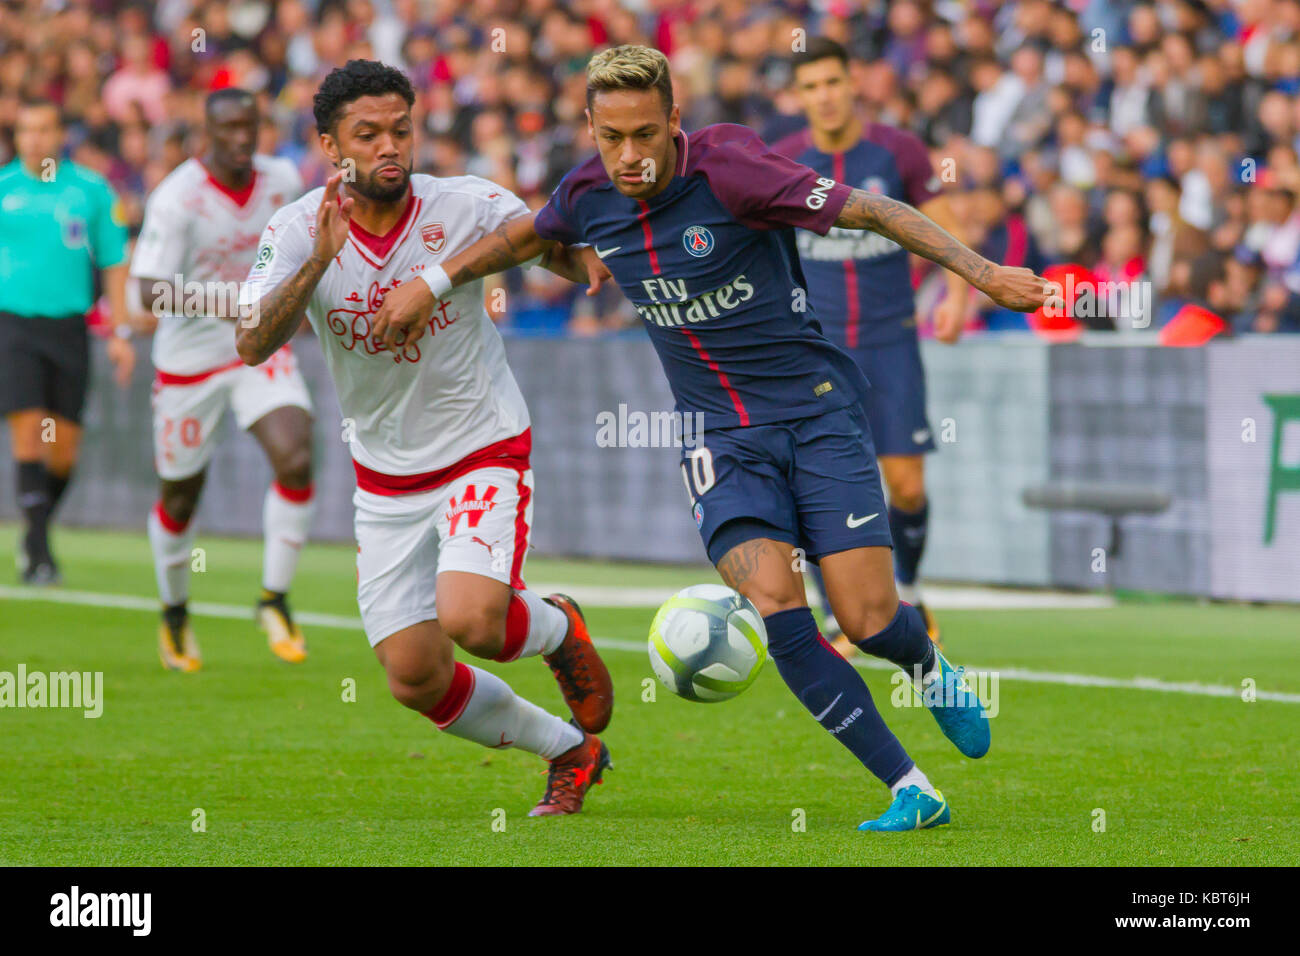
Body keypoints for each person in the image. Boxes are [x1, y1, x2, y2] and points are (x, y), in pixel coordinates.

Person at [373, 45, 1049, 831]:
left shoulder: (732, 169)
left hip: (817, 413)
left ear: (674, 122)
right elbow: (524, 237)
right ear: (590, 126)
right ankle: (910, 787)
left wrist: (983, 273)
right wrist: (436, 282)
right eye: (612, 136)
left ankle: (927, 663)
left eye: (646, 135)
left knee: (867, 619)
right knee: (777, 607)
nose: (630, 155)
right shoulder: (586, 192)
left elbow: (871, 209)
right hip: (719, 438)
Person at [235, 60, 614, 817]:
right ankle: (570, 751)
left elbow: (547, 246)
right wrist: (318, 259)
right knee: (414, 676)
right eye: (367, 134)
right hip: (384, 475)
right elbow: (250, 342)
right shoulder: (292, 229)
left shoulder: (467, 204)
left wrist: (576, 257)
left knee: (474, 618)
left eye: (401, 130)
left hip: (481, 444)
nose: (389, 148)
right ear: (328, 144)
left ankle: (556, 626)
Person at [772, 38, 967, 651]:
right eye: (811, 87)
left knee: (906, 484)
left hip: (891, 340)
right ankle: (838, 610)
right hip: (817, 350)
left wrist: (959, 294)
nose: (824, 96)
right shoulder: (784, 162)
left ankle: (907, 586)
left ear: (853, 82)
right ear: (798, 97)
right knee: (818, 482)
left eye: (833, 81)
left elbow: (947, 222)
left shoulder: (898, 150)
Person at [131, 88, 317, 672]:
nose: (242, 139)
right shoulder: (177, 199)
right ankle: (175, 613)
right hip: (189, 362)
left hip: (258, 351)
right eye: (230, 129)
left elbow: (302, 247)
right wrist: (234, 302)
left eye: (251, 126)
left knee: (296, 458)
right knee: (180, 497)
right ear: (205, 134)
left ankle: (274, 598)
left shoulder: (281, 178)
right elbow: (148, 291)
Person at [0, 99, 133, 585]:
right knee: (30, 428)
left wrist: (120, 331)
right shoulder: (4, 189)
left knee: (64, 450)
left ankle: (34, 529)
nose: (35, 139)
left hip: (69, 328)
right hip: (12, 326)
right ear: (17, 137)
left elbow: (115, 261)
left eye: (44, 129)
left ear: (61, 134)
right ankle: (39, 554)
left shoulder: (90, 191)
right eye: (25, 130)